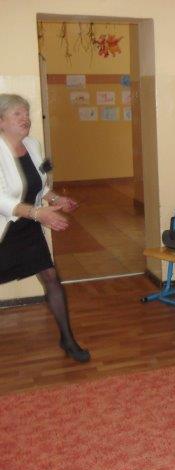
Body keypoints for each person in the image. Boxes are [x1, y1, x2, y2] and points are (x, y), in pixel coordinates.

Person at [0, 93, 89, 363]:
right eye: (17, 114)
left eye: (26, 113)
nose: (25, 118)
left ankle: (68, 339)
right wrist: (38, 213)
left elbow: (41, 185)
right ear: (1, 121)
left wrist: (56, 199)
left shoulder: (33, 145)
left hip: (28, 227)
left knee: (50, 276)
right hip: (4, 229)